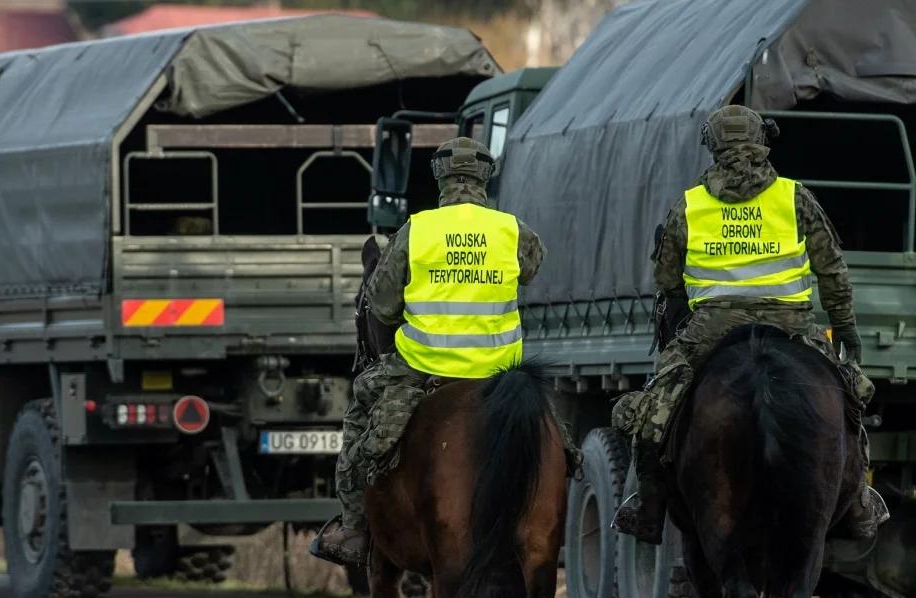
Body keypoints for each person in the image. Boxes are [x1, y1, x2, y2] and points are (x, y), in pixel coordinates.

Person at [611, 105, 889, 545]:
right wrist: (845, 327)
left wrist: (683, 320)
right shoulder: (795, 197)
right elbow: (832, 270)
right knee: (849, 401)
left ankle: (647, 505)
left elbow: (666, 280)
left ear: (712, 146)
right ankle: (857, 503)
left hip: (712, 328)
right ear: (763, 142)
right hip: (793, 324)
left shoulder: (689, 205)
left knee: (654, 411)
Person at [311, 137, 567, 566]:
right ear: (487, 176)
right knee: (555, 433)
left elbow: (384, 303)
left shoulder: (418, 230)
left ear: (439, 177)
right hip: (499, 368)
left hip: (423, 366)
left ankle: (354, 527)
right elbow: (533, 267)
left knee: (361, 405)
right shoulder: (512, 230)